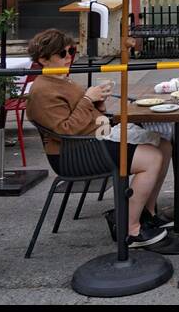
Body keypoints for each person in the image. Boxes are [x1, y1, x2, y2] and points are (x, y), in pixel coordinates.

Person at [24, 28, 168, 249]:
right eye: (62, 54)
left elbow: (86, 117)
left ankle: (146, 212)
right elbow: (67, 130)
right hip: (75, 153)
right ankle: (129, 228)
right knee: (152, 158)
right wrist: (87, 100)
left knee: (163, 142)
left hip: (94, 139)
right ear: (43, 59)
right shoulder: (43, 90)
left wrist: (97, 104)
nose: (69, 57)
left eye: (71, 51)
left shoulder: (63, 81)